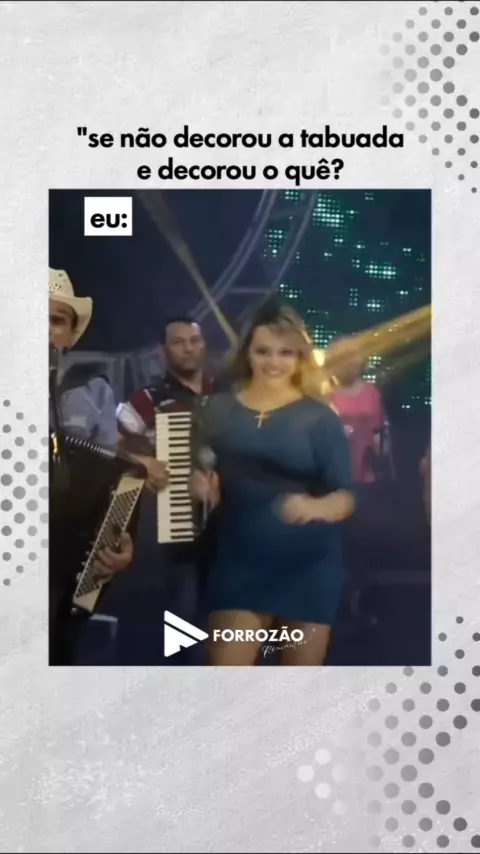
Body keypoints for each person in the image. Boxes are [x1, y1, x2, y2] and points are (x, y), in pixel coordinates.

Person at [190, 303, 356, 667]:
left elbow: (346, 495)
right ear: (247, 353)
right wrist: (201, 489)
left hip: (308, 569)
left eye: (285, 353)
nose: (273, 362)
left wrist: (317, 507)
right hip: (239, 564)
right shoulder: (217, 410)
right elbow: (200, 470)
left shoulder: (320, 418)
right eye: (263, 351)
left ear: (299, 358)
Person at [115, 316, 218, 663]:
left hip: (231, 532)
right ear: (163, 351)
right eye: (178, 342)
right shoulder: (148, 399)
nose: (189, 348)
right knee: (184, 625)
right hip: (179, 534)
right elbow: (109, 446)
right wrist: (143, 462)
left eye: (194, 340)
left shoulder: (227, 394)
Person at [48, 268, 135, 664]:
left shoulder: (94, 391)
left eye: (56, 320)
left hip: (65, 578)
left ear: (69, 335)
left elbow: (116, 479)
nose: (45, 330)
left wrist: (119, 543)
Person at [325, 336, 389, 485]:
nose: (348, 364)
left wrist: (380, 455)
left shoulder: (371, 392)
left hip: (368, 467)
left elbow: (379, 429)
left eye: (351, 358)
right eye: (341, 360)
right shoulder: (327, 395)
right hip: (336, 467)